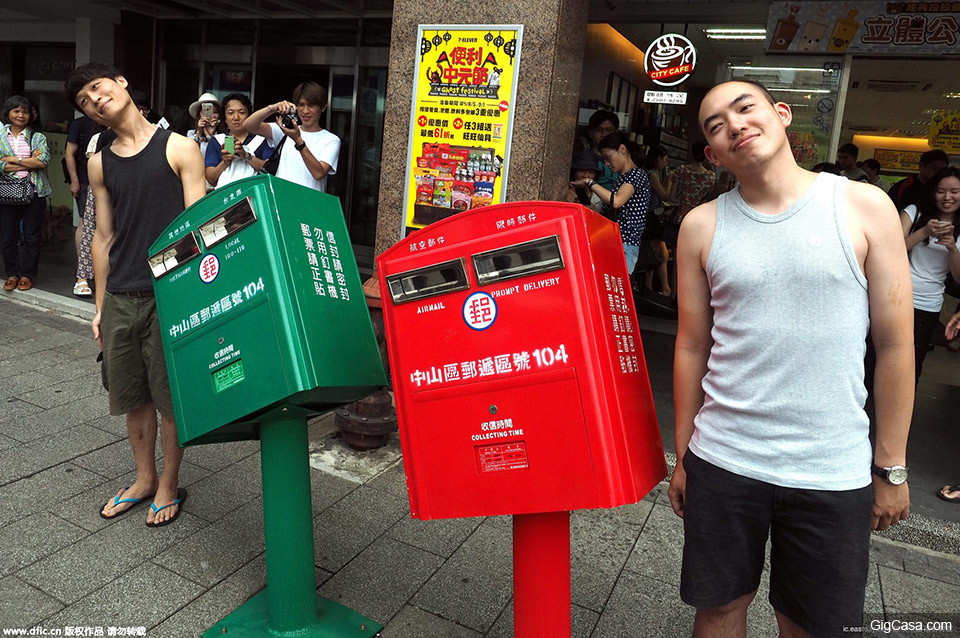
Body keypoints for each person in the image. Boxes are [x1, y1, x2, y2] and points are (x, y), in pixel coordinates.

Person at [669, 80, 913, 638]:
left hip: (831, 467)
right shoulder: (701, 226)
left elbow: (897, 345)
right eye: (715, 125)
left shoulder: (862, 205)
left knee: (811, 623)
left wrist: (891, 466)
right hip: (724, 458)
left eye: (744, 107)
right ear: (713, 154)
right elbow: (690, 345)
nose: (733, 124)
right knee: (720, 608)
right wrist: (683, 455)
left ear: (781, 116)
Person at [65, 62, 206, 526]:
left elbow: (198, 229)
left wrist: (191, 299)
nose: (94, 100)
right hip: (122, 296)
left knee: (170, 400)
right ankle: (143, 478)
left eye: (97, 88)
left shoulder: (181, 148)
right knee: (132, 396)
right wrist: (101, 307)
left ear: (121, 83)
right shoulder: (98, 162)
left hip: (170, 295)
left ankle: (168, 483)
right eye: (84, 101)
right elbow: (103, 238)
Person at [570, 132, 669, 297]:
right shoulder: (623, 178)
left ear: (622, 149)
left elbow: (616, 201)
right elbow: (605, 212)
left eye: (608, 157)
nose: (607, 163)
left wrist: (590, 183)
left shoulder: (635, 175)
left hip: (624, 245)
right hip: (616, 244)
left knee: (612, 296)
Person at [900, 166, 960, 382]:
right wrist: (924, 232)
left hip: (928, 304)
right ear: (932, 191)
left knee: (912, 365)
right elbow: (890, 249)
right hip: (895, 297)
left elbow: (958, 278)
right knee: (877, 357)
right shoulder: (913, 213)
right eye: (941, 190)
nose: (947, 197)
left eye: (955, 191)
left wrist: (953, 248)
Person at [244, 81, 340, 192]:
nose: (305, 111)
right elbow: (248, 125)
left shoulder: (331, 140)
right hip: (281, 199)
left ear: (323, 107)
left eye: (311, 105)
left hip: (309, 204)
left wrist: (298, 140)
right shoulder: (285, 130)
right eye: (301, 105)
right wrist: (272, 108)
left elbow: (318, 173)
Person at [0, 96, 51, 292]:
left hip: (34, 192)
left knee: (31, 236)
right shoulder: (1, 135)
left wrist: (11, 159)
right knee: (8, 236)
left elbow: (43, 162)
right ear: (8, 112)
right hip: (6, 192)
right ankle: (12, 273)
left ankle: (27, 274)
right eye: (16, 111)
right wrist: (27, 160)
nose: (21, 115)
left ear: (31, 115)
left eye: (25, 112)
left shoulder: (37, 137)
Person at [204, 93, 272, 189]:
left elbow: (270, 170)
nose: (236, 118)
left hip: (253, 194)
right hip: (225, 196)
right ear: (225, 118)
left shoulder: (262, 140)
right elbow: (210, 178)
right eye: (231, 113)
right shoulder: (217, 141)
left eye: (242, 112)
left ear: (250, 116)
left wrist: (246, 156)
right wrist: (225, 162)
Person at [65, 114, 99, 296]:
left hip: (112, 185)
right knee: (85, 224)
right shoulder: (80, 124)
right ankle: (83, 270)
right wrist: (75, 181)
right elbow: (69, 153)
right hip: (87, 182)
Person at [669, 141, 715, 221]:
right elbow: (704, 201)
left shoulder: (682, 170)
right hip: (694, 218)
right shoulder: (710, 177)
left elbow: (672, 197)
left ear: (692, 153)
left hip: (678, 215)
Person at [582, 110, 620, 191]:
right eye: (599, 130)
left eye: (609, 130)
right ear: (590, 133)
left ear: (616, 133)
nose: (604, 134)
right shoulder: (583, 158)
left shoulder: (623, 159)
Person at [565, 149, 605, 216]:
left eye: (591, 172)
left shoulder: (599, 196)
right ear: (574, 172)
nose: (586, 175)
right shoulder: (564, 190)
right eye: (581, 170)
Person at [187, 92, 223, 159]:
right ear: (199, 115)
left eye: (215, 112)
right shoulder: (190, 134)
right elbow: (190, 155)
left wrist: (211, 136)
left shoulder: (224, 136)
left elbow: (223, 158)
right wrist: (199, 133)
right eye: (205, 111)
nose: (212, 115)